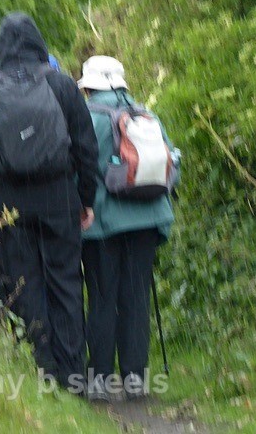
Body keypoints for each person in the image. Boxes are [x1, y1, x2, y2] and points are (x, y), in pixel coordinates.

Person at [0, 12, 99, 388]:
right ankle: (73, 376)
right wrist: (86, 199)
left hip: (9, 205)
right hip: (59, 198)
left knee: (24, 284)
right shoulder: (62, 85)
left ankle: (42, 370)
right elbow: (87, 148)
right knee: (66, 283)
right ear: (39, 41)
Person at [78, 56, 177, 401]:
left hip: (102, 223)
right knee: (136, 297)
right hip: (148, 218)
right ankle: (135, 379)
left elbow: (77, 168)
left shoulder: (86, 117)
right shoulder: (146, 114)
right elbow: (172, 162)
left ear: (89, 86)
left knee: (102, 297)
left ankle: (100, 380)